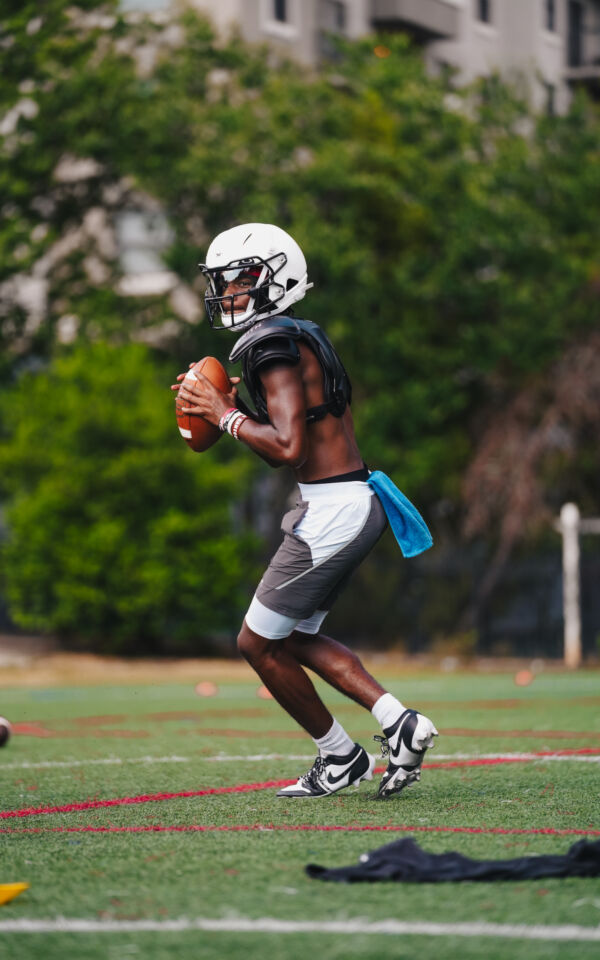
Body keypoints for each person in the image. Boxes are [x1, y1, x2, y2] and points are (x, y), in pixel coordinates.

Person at [172, 223, 438, 799]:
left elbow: (288, 448)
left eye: (240, 279)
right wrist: (232, 408)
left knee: (254, 642)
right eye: (223, 282)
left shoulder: (269, 341)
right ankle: (398, 724)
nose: (228, 293)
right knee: (287, 639)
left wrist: (223, 413)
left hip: (334, 509)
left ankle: (340, 755)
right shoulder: (296, 335)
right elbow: (297, 436)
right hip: (345, 501)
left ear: (275, 277)